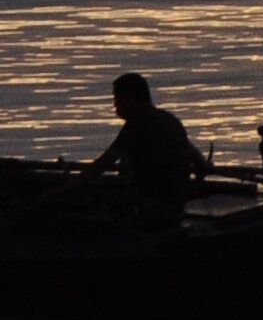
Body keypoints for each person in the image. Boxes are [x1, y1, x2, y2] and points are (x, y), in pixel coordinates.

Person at [81, 71, 202, 228]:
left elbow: (100, 166)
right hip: (176, 203)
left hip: (152, 207)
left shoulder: (137, 124)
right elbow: (196, 157)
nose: (115, 105)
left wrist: (60, 191)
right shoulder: (168, 119)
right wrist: (204, 167)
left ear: (130, 98)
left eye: (117, 99)